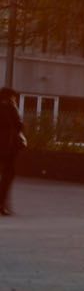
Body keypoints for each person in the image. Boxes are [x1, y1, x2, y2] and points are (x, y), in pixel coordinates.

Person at [0, 87, 25, 216]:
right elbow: (19, 125)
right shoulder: (10, 108)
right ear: (10, 97)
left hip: (5, 147)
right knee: (8, 175)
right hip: (7, 148)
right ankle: (1, 204)